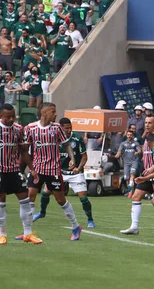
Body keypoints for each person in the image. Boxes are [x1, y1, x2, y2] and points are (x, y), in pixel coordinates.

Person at [23, 103, 82, 241]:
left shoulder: (57, 128)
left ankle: (75, 226)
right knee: (30, 195)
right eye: (53, 112)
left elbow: (66, 145)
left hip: (53, 170)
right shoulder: (31, 128)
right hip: (37, 169)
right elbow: (25, 149)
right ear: (44, 113)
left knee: (60, 199)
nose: (56, 114)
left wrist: (72, 158)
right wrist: (29, 168)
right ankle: (28, 232)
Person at [33, 117, 96, 228]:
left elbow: (84, 157)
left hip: (75, 174)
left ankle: (90, 219)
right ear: (60, 128)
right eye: (66, 128)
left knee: (83, 198)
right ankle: (42, 213)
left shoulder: (77, 139)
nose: (69, 130)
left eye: (70, 128)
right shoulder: (53, 138)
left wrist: (78, 167)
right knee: (45, 192)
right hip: (58, 171)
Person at [121, 113, 154, 237]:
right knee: (136, 197)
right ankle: (134, 226)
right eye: (145, 123)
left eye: (150, 123)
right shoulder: (147, 137)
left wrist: (153, 167)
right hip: (146, 172)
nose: (147, 125)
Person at [0, 103, 38, 245]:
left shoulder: (18, 129)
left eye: (13, 117)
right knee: (1, 201)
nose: (11, 120)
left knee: (25, 199)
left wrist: (32, 170)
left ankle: (28, 233)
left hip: (14, 170)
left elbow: (23, 151)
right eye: (8, 117)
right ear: (1, 116)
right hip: (0, 171)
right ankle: (2, 234)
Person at [114, 129, 142, 194]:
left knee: (132, 174)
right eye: (128, 135)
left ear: (133, 136)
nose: (129, 136)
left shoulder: (135, 143)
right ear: (126, 135)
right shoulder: (123, 143)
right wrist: (117, 154)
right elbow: (119, 151)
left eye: (130, 135)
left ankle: (130, 187)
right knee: (127, 177)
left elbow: (140, 151)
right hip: (126, 162)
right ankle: (130, 192)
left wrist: (137, 153)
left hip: (134, 161)